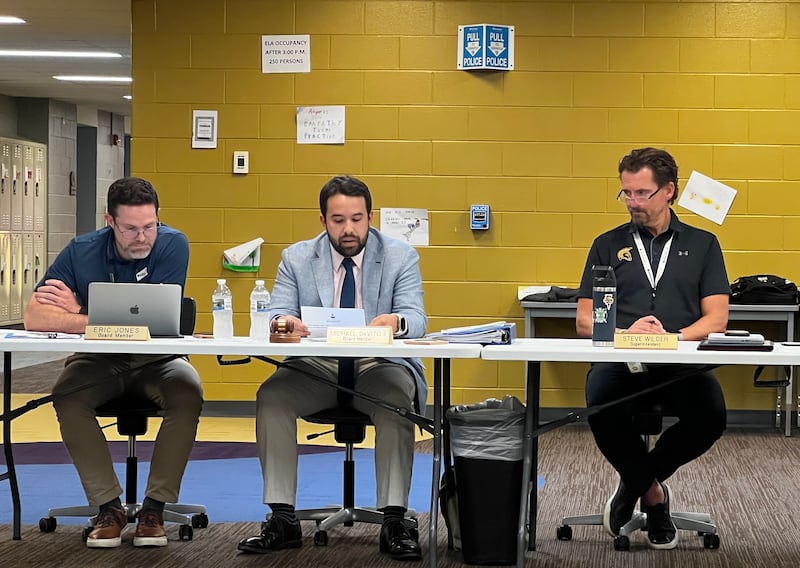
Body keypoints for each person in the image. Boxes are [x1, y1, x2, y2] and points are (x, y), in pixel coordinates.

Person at [237, 175, 427, 561]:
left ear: (370, 217)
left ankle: (394, 519)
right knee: (272, 397)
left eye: (357, 219)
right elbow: (277, 314)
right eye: (338, 220)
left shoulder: (400, 255)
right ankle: (282, 517)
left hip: (378, 363)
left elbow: (417, 318)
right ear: (322, 220)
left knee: (395, 399)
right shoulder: (296, 257)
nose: (349, 229)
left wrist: (396, 322)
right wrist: (284, 325)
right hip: (315, 366)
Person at [24, 177, 204, 549]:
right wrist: (90, 319)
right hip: (98, 359)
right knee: (67, 393)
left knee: (189, 391)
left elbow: (153, 321)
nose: (142, 237)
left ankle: (154, 508)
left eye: (149, 226)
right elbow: (34, 317)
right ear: (110, 221)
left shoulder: (174, 244)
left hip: (158, 357)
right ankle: (109, 507)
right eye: (131, 228)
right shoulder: (81, 250)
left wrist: (79, 309)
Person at [576, 147, 729, 550]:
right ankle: (654, 496)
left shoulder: (703, 244)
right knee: (599, 401)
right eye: (626, 193)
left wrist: (672, 339)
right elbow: (585, 320)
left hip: (680, 362)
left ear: (669, 192)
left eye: (642, 193)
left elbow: (715, 319)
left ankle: (636, 481)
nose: (632, 203)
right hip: (623, 360)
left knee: (711, 415)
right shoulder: (606, 245)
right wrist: (628, 334)